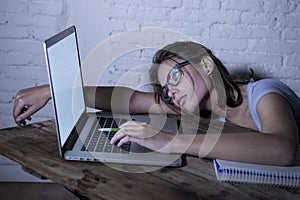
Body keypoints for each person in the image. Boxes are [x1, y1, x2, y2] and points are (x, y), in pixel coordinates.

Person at [13, 41, 300, 166]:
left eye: (175, 76)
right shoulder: (195, 105)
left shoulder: (265, 93)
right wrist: (55, 91)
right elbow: (129, 98)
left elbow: (283, 149)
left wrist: (171, 142)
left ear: (207, 65)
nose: (170, 91)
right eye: (165, 89)